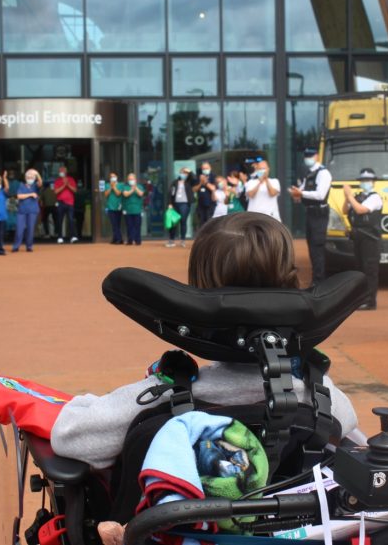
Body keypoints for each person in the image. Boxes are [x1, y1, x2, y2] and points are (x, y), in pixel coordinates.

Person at [50, 212, 360, 470]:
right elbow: (351, 430)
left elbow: (69, 436)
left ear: (197, 293)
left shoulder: (161, 398)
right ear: (291, 284)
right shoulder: (323, 399)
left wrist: (87, 403)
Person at [288, 148, 332, 286]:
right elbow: (302, 190)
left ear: (317, 156)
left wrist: (301, 194)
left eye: (310, 156)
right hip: (310, 212)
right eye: (306, 156)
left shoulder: (323, 173)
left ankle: (319, 281)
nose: (307, 158)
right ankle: (316, 279)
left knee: (317, 248)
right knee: (312, 248)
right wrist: (296, 193)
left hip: (320, 214)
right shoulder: (308, 173)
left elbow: (320, 195)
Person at [342, 168, 384, 311]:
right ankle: (362, 298)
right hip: (358, 237)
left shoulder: (375, 197)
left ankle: (370, 301)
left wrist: (350, 196)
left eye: (368, 180)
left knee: (369, 269)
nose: (365, 183)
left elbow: (360, 210)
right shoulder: (357, 196)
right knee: (360, 269)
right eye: (363, 180)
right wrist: (347, 197)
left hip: (370, 238)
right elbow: (345, 210)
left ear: (373, 182)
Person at [165, 167, 196, 247]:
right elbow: (170, 193)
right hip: (175, 204)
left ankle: (182, 240)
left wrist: (189, 171)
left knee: (183, 221)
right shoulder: (175, 182)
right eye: (182, 172)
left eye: (185, 173)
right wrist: (170, 203)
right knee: (173, 222)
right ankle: (171, 240)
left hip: (185, 204)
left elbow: (195, 179)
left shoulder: (189, 182)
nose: (183, 174)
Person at [13, 169, 41, 253]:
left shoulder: (35, 186)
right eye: (28, 177)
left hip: (32, 210)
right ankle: (16, 246)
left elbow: (40, 182)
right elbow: (19, 196)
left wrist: (37, 173)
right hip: (22, 211)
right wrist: (31, 194)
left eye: (32, 177)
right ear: (25, 178)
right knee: (19, 229)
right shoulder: (21, 185)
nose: (30, 178)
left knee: (30, 229)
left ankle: (29, 246)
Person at [54, 166, 78, 243]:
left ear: (66, 172)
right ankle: (60, 237)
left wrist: (68, 184)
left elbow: (74, 190)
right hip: (61, 202)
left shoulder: (71, 179)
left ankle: (72, 236)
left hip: (70, 203)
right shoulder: (57, 181)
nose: (61, 172)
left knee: (71, 219)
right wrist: (64, 185)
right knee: (60, 220)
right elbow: (56, 192)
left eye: (63, 170)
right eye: (60, 171)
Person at [121, 172, 144, 245]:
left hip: (137, 210)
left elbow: (141, 194)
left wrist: (135, 188)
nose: (131, 180)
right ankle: (130, 240)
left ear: (135, 180)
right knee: (129, 226)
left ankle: (138, 240)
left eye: (132, 179)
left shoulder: (139, 186)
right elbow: (125, 194)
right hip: (128, 210)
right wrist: (132, 190)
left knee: (137, 226)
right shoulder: (125, 187)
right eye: (129, 179)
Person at [192, 161, 216, 228]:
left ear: (210, 168)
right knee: (201, 222)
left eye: (206, 168)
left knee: (209, 222)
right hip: (200, 203)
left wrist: (205, 183)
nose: (205, 170)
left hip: (210, 203)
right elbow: (194, 189)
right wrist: (200, 183)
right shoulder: (198, 177)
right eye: (203, 168)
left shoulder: (213, 176)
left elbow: (213, 188)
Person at [104, 172, 125, 244]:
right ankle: (117, 238)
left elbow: (118, 193)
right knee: (114, 223)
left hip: (118, 207)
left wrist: (114, 187)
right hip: (110, 207)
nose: (112, 178)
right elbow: (106, 194)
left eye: (114, 176)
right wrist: (110, 187)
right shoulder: (107, 185)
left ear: (117, 177)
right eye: (111, 177)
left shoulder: (121, 184)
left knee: (117, 224)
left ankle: (117, 238)